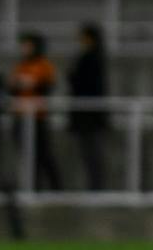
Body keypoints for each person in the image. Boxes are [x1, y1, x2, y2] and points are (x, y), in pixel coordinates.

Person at [9, 33, 61, 192]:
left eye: (28, 45)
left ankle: (56, 188)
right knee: (26, 155)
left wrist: (32, 84)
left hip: (38, 117)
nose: (25, 49)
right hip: (21, 116)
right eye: (23, 45)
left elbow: (48, 87)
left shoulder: (44, 65)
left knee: (43, 154)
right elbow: (12, 88)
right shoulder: (20, 66)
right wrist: (18, 85)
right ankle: (33, 187)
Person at [68, 24, 110, 191]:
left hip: (89, 113)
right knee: (89, 154)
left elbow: (86, 84)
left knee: (92, 153)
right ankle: (94, 186)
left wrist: (73, 78)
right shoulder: (91, 57)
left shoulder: (92, 58)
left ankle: (96, 187)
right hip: (87, 113)